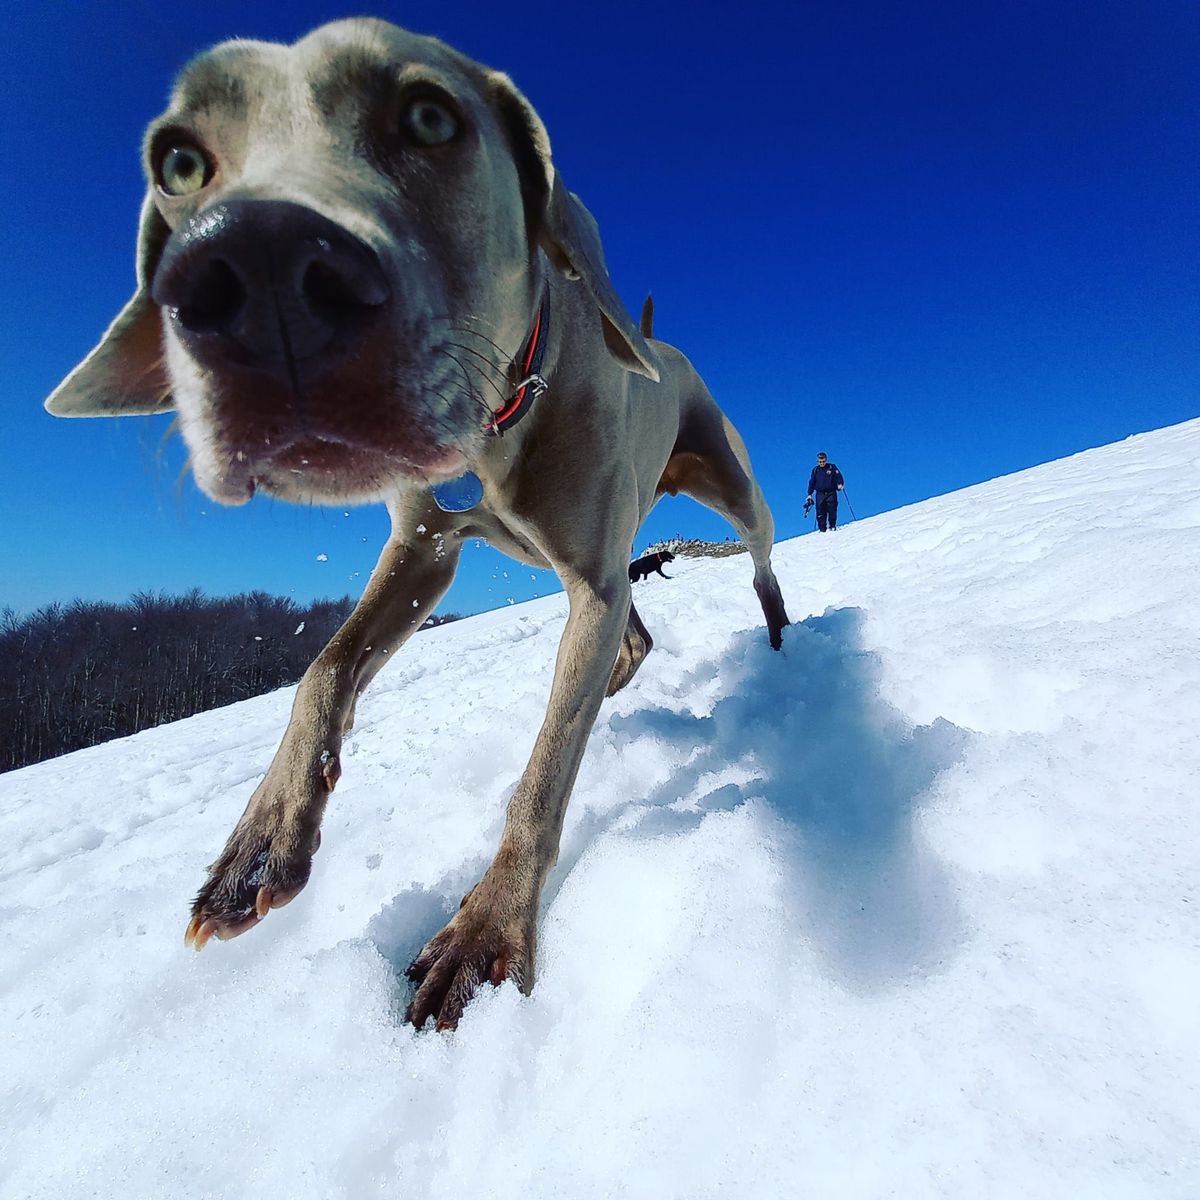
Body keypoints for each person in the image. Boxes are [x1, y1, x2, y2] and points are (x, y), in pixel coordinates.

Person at [805, 452, 844, 531]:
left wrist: (840, 484)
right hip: (820, 494)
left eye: (823, 461)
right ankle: (822, 530)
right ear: (818, 461)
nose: (822, 463)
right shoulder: (815, 470)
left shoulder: (832, 467)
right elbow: (812, 482)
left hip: (831, 492)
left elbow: (839, 476)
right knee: (820, 512)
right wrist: (809, 494)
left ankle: (832, 526)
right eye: (820, 461)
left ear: (826, 460)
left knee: (832, 509)